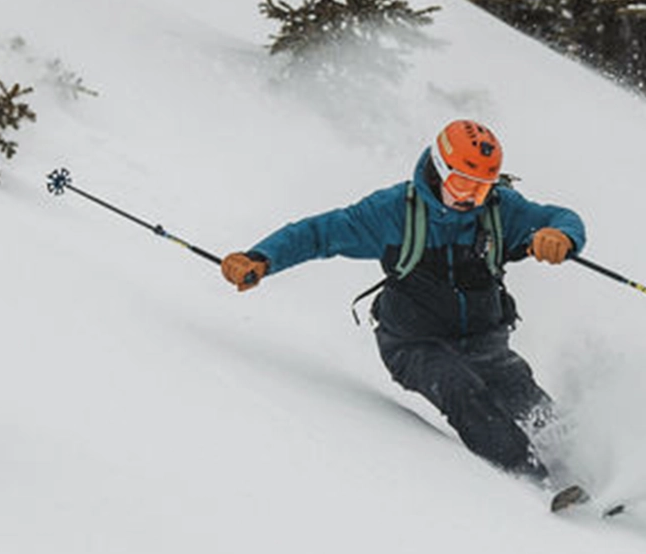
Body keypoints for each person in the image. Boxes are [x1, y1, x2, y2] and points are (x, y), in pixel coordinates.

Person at [221, 119, 586, 486]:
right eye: (461, 184)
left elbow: (560, 219)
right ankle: (532, 478)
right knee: (463, 390)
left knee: (525, 396)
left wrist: (561, 236)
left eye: (480, 190)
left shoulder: (498, 209)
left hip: (483, 340)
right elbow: (320, 233)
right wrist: (261, 258)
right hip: (414, 343)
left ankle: (584, 473)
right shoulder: (394, 211)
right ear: (440, 170)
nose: (467, 199)